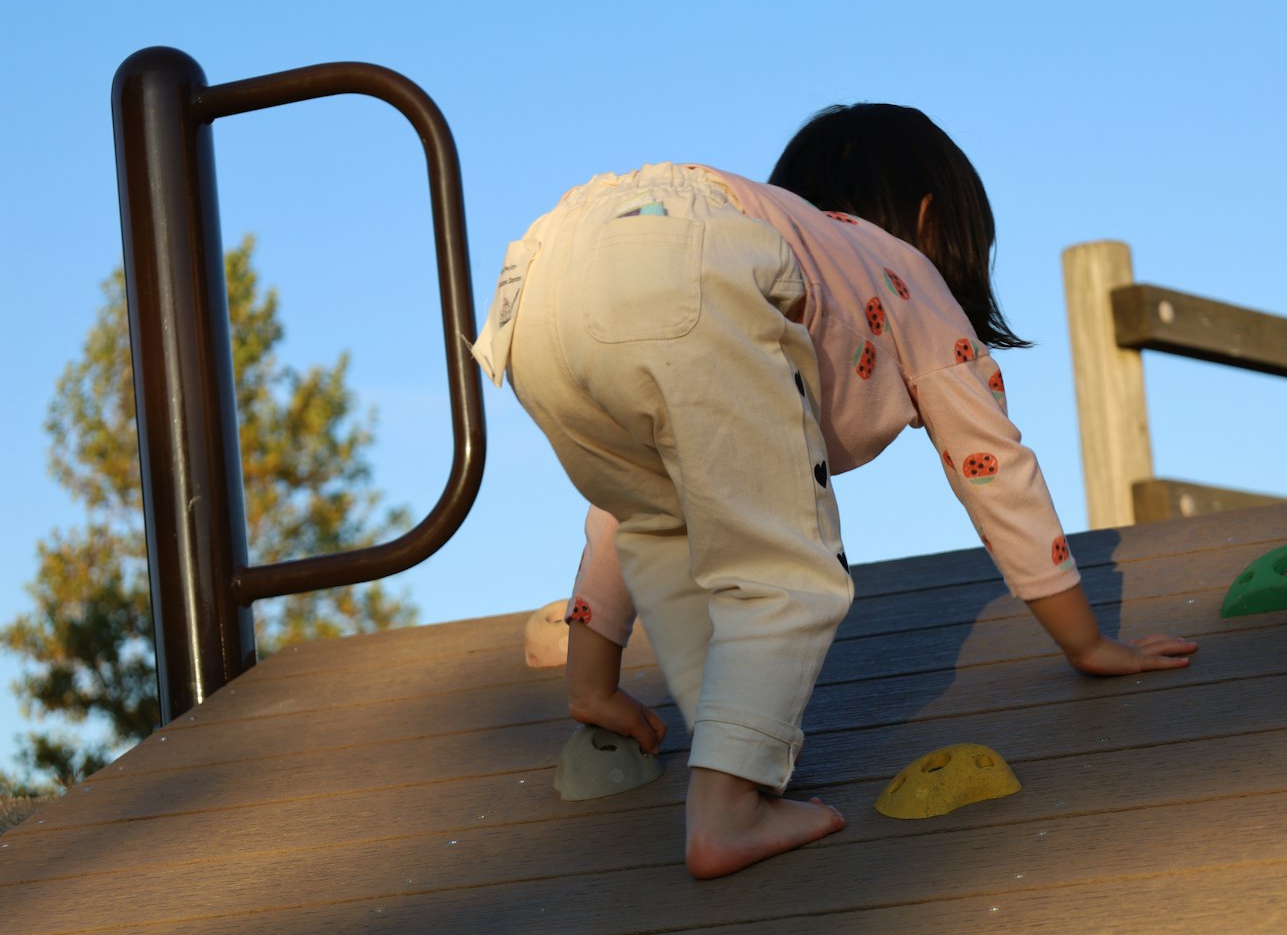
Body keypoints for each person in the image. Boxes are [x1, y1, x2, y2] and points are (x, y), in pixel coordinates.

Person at [471, 104, 1197, 880]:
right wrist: (1088, 643)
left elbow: (621, 510)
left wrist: (594, 682)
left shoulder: (784, 237)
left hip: (540, 275)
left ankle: (652, 717)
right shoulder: (902, 271)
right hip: (676, 254)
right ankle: (727, 809)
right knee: (790, 566)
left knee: (650, 504)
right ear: (931, 220)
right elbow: (993, 465)